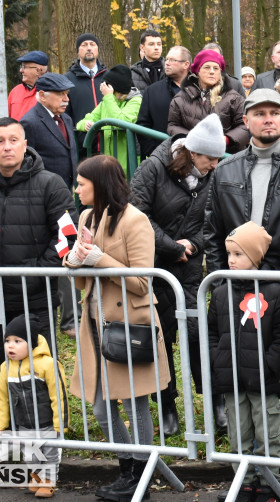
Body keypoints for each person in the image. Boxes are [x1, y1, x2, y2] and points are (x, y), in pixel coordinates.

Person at [202, 88, 280, 502]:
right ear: (246, 120)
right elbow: (213, 233)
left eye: (275, 112)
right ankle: (250, 477)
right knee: (245, 389)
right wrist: (222, 284)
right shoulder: (225, 171)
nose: (267, 119)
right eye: (259, 113)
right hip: (240, 298)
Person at [65, 155, 170, 502]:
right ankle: (128, 470)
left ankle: (139, 479)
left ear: (100, 185)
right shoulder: (87, 216)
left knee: (135, 406)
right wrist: (75, 261)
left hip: (129, 325)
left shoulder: (135, 220)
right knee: (100, 406)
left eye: (82, 183)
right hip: (95, 324)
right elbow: (84, 274)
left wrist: (99, 259)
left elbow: (142, 282)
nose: (76, 189)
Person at [0, 117, 75, 365]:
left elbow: (67, 235)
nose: (7, 147)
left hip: (37, 296)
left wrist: (37, 273)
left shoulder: (51, 184)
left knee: (39, 367)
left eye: (13, 140)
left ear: (24, 144)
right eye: (0, 141)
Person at [130, 114, 225, 436]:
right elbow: (138, 214)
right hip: (154, 265)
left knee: (198, 335)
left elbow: (213, 221)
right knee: (161, 339)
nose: (214, 164)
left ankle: (215, 401)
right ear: (193, 152)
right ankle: (167, 406)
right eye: (210, 158)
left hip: (188, 268)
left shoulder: (213, 177)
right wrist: (171, 247)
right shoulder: (153, 168)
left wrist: (193, 245)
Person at [209, 221, 280, 502]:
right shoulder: (220, 292)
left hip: (263, 380)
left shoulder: (274, 291)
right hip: (232, 378)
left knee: (267, 433)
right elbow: (212, 332)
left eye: (238, 254)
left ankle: (269, 484)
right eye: (229, 254)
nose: (230, 260)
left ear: (255, 256)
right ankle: (244, 483)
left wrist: (269, 365)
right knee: (238, 434)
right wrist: (218, 358)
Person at [0, 314, 68, 499]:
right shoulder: (6, 367)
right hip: (24, 424)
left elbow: (59, 395)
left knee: (49, 454)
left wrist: (60, 423)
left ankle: (48, 482)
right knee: (30, 456)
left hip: (46, 423)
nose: (10, 346)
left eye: (17, 341)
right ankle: (36, 478)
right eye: (7, 341)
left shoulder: (47, 364)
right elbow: (1, 397)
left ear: (32, 343)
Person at [168, 46, 249, 152]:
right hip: (194, 156)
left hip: (225, 156)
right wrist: (195, 139)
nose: (211, 72)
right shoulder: (181, 98)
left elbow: (245, 125)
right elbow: (173, 125)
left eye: (216, 68)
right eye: (207, 67)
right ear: (198, 71)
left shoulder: (234, 98)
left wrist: (226, 140)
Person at [76, 64, 142, 174]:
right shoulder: (107, 102)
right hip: (109, 166)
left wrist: (108, 97)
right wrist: (86, 124)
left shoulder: (135, 101)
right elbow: (82, 122)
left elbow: (122, 121)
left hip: (130, 165)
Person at [21, 73, 79, 189]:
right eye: (60, 94)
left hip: (66, 188)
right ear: (42, 95)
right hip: (43, 191)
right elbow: (25, 164)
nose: (66, 99)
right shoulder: (29, 122)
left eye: (67, 93)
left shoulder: (66, 119)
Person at [136, 45, 192, 156]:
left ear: (186, 64)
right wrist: (156, 153)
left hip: (195, 156)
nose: (167, 63)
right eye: (167, 59)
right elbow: (143, 126)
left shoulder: (200, 89)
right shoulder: (152, 91)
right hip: (162, 157)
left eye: (172, 60)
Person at [64, 33, 108, 141]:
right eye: (84, 45)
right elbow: (64, 114)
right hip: (81, 143)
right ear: (78, 51)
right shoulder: (67, 80)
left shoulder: (110, 77)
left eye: (92, 44)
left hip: (109, 142)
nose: (89, 48)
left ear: (98, 49)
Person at [9, 51, 50, 120]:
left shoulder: (51, 91)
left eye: (24, 67)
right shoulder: (15, 91)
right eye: (21, 67)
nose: (21, 70)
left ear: (38, 70)